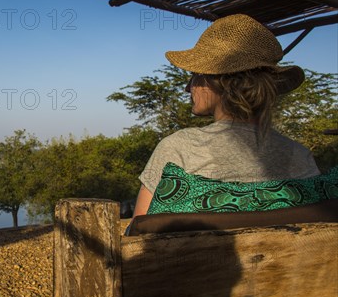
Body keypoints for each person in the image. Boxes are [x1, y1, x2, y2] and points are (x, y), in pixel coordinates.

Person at [133, 14, 320, 217]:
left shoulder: (179, 148)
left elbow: (139, 236)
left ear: (218, 81)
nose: (189, 87)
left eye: (195, 75)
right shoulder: (300, 155)